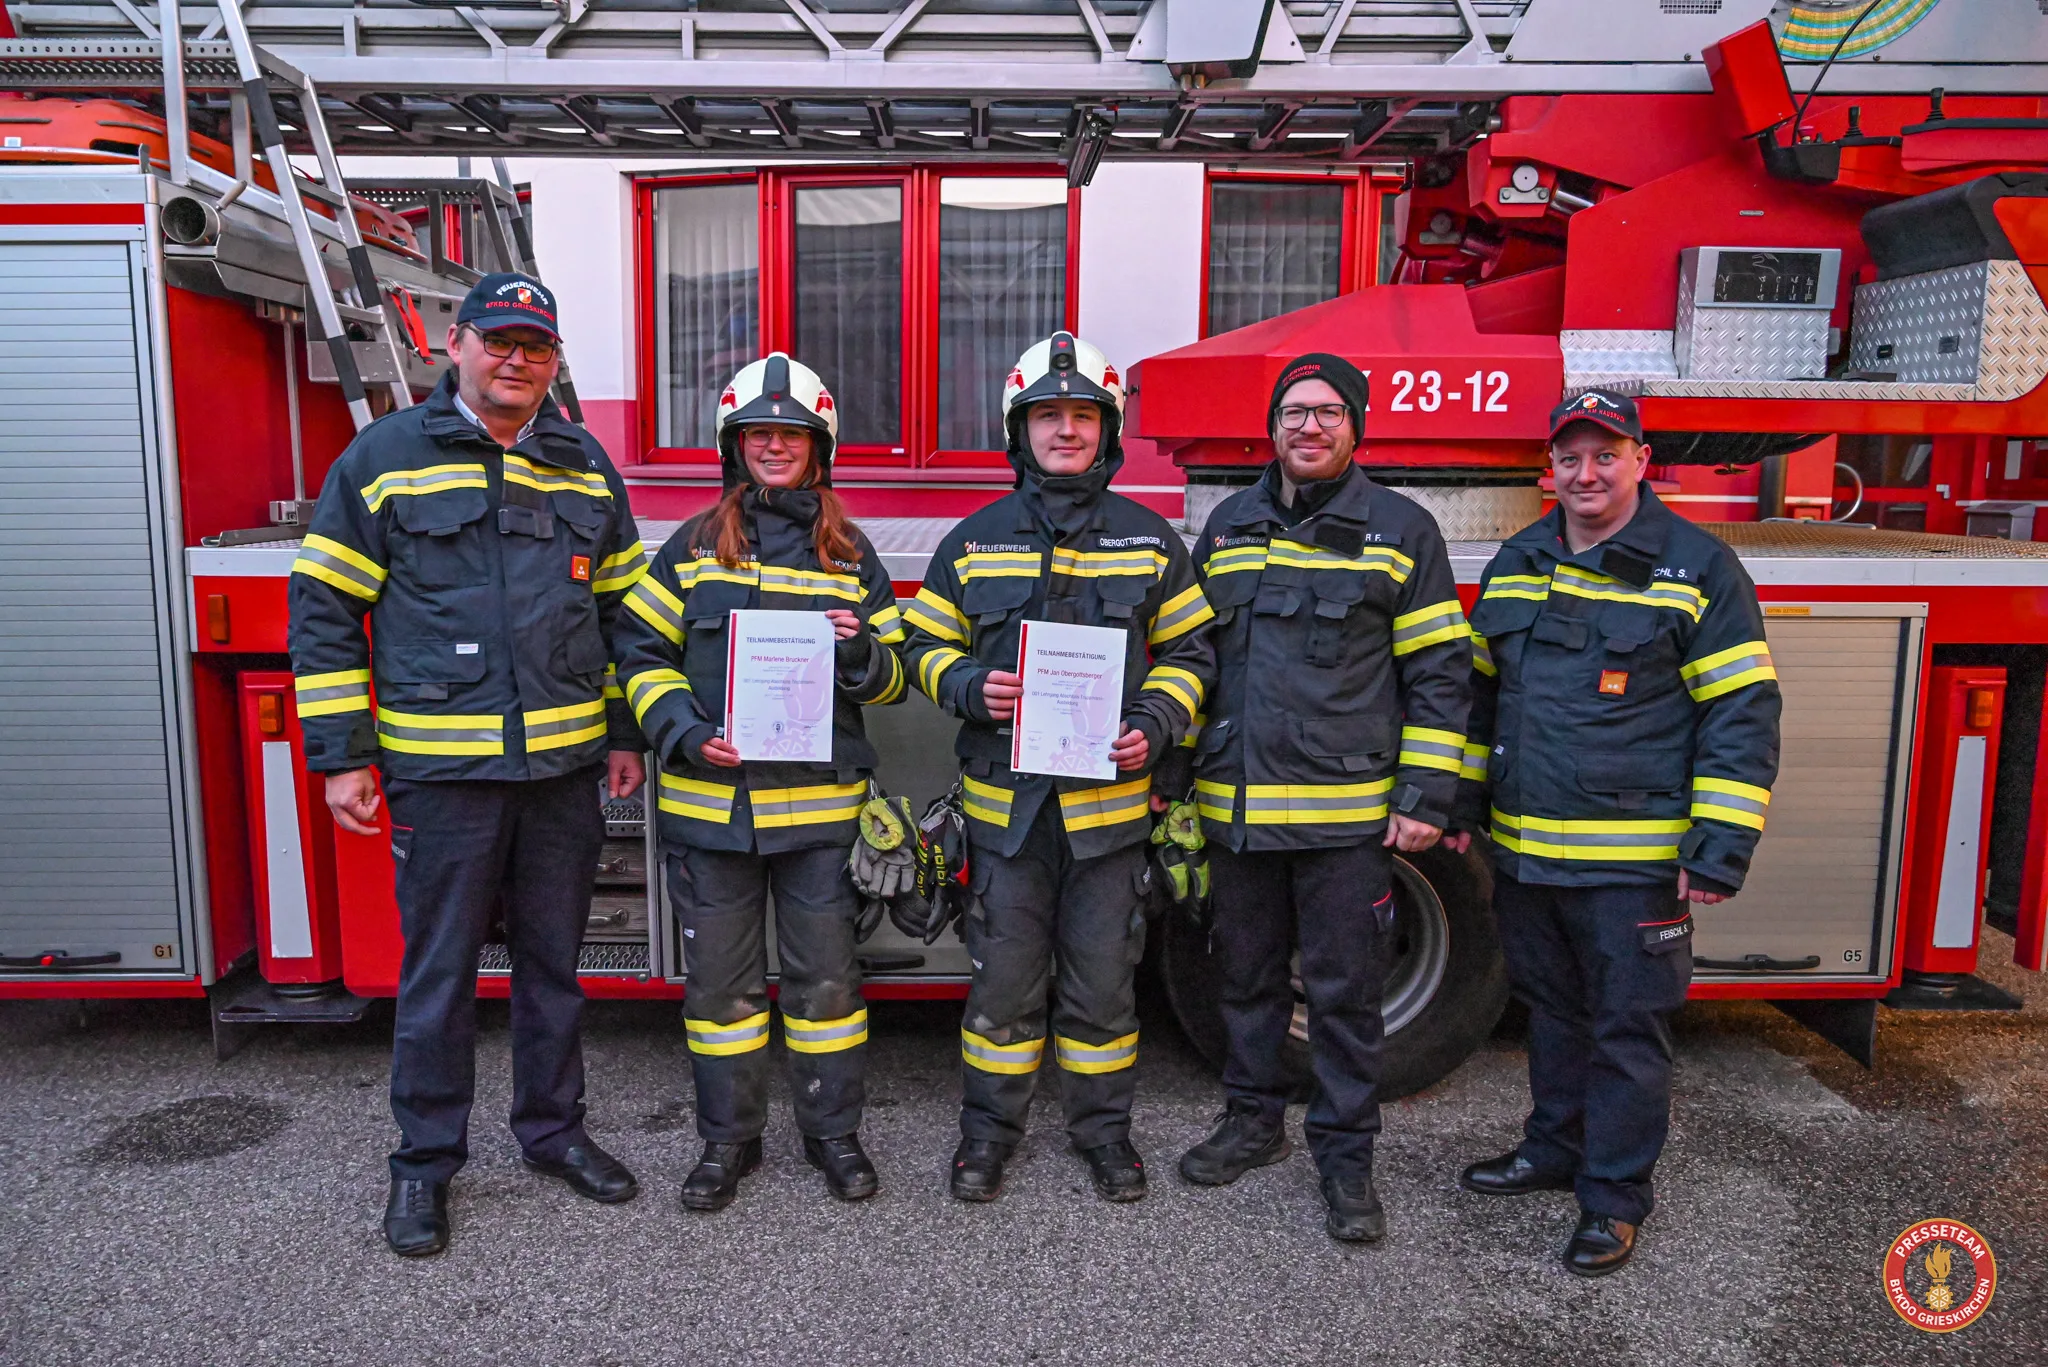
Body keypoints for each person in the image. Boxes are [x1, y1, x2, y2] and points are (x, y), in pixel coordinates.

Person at [289, 272, 648, 1258]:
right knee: (439, 976)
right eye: (500, 340)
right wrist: (343, 756)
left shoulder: (582, 463)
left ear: (554, 359)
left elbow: (627, 611)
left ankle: (553, 1131)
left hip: (563, 772)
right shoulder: (384, 458)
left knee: (553, 969)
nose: (516, 359)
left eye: (536, 345)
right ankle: (424, 1161)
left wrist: (624, 728)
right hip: (442, 780)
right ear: (457, 343)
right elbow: (324, 609)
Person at [1452, 388, 1782, 1276]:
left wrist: (1719, 844)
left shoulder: (1698, 567)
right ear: (1549, 469)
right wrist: (1459, 805)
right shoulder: (1520, 559)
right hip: (1528, 856)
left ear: (1642, 459)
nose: (1587, 473)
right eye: (1570, 457)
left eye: (1606, 454)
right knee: (1553, 1014)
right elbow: (1481, 694)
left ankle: (1613, 1197)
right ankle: (1552, 1149)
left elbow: (1741, 712)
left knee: (1628, 1031)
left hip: (1635, 862)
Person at [900, 332, 1216, 1204]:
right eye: (1048, 415)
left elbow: (1193, 652)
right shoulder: (973, 542)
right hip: (1006, 818)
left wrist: (1154, 721)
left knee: (1103, 989)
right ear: (1021, 429)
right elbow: (920, 645)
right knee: (1001, 987)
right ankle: (987, 1134)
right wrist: (970, 686)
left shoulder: (1151, 541)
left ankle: (1104, 1133)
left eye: (1083, 415)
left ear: (1107, 430)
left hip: (1108, 820)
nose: (1066, 430)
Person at [1166, 354, 1472, 1243]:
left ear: (1355, 426)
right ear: (1272, 426)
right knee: (1246, 980)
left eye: (1329, 412)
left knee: (1344, 994)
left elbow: (1439, 672)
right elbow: (1195, 660)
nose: (1310, 426)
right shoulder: (1229, 525)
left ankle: (1345, 1156)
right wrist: (1172, 779)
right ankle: (1252, 1121)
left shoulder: (1401, 530)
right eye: (1295, 411)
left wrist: (1425, 795)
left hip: (1345, 820)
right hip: (1239, 814)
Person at [612, 354, 907, 1212]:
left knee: (828, 988)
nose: (774, 447)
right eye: (758, 434)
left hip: (820, 820)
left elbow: (897, 678)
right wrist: (684, 731)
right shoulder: (692, 547)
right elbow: (640, 653)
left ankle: (833, 1134)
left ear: (820, 448)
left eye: (792, 435)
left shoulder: (850, 554)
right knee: (720, 993)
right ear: (733, 446)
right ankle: (726, 1141)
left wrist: (860, 650)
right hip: (713, 814)